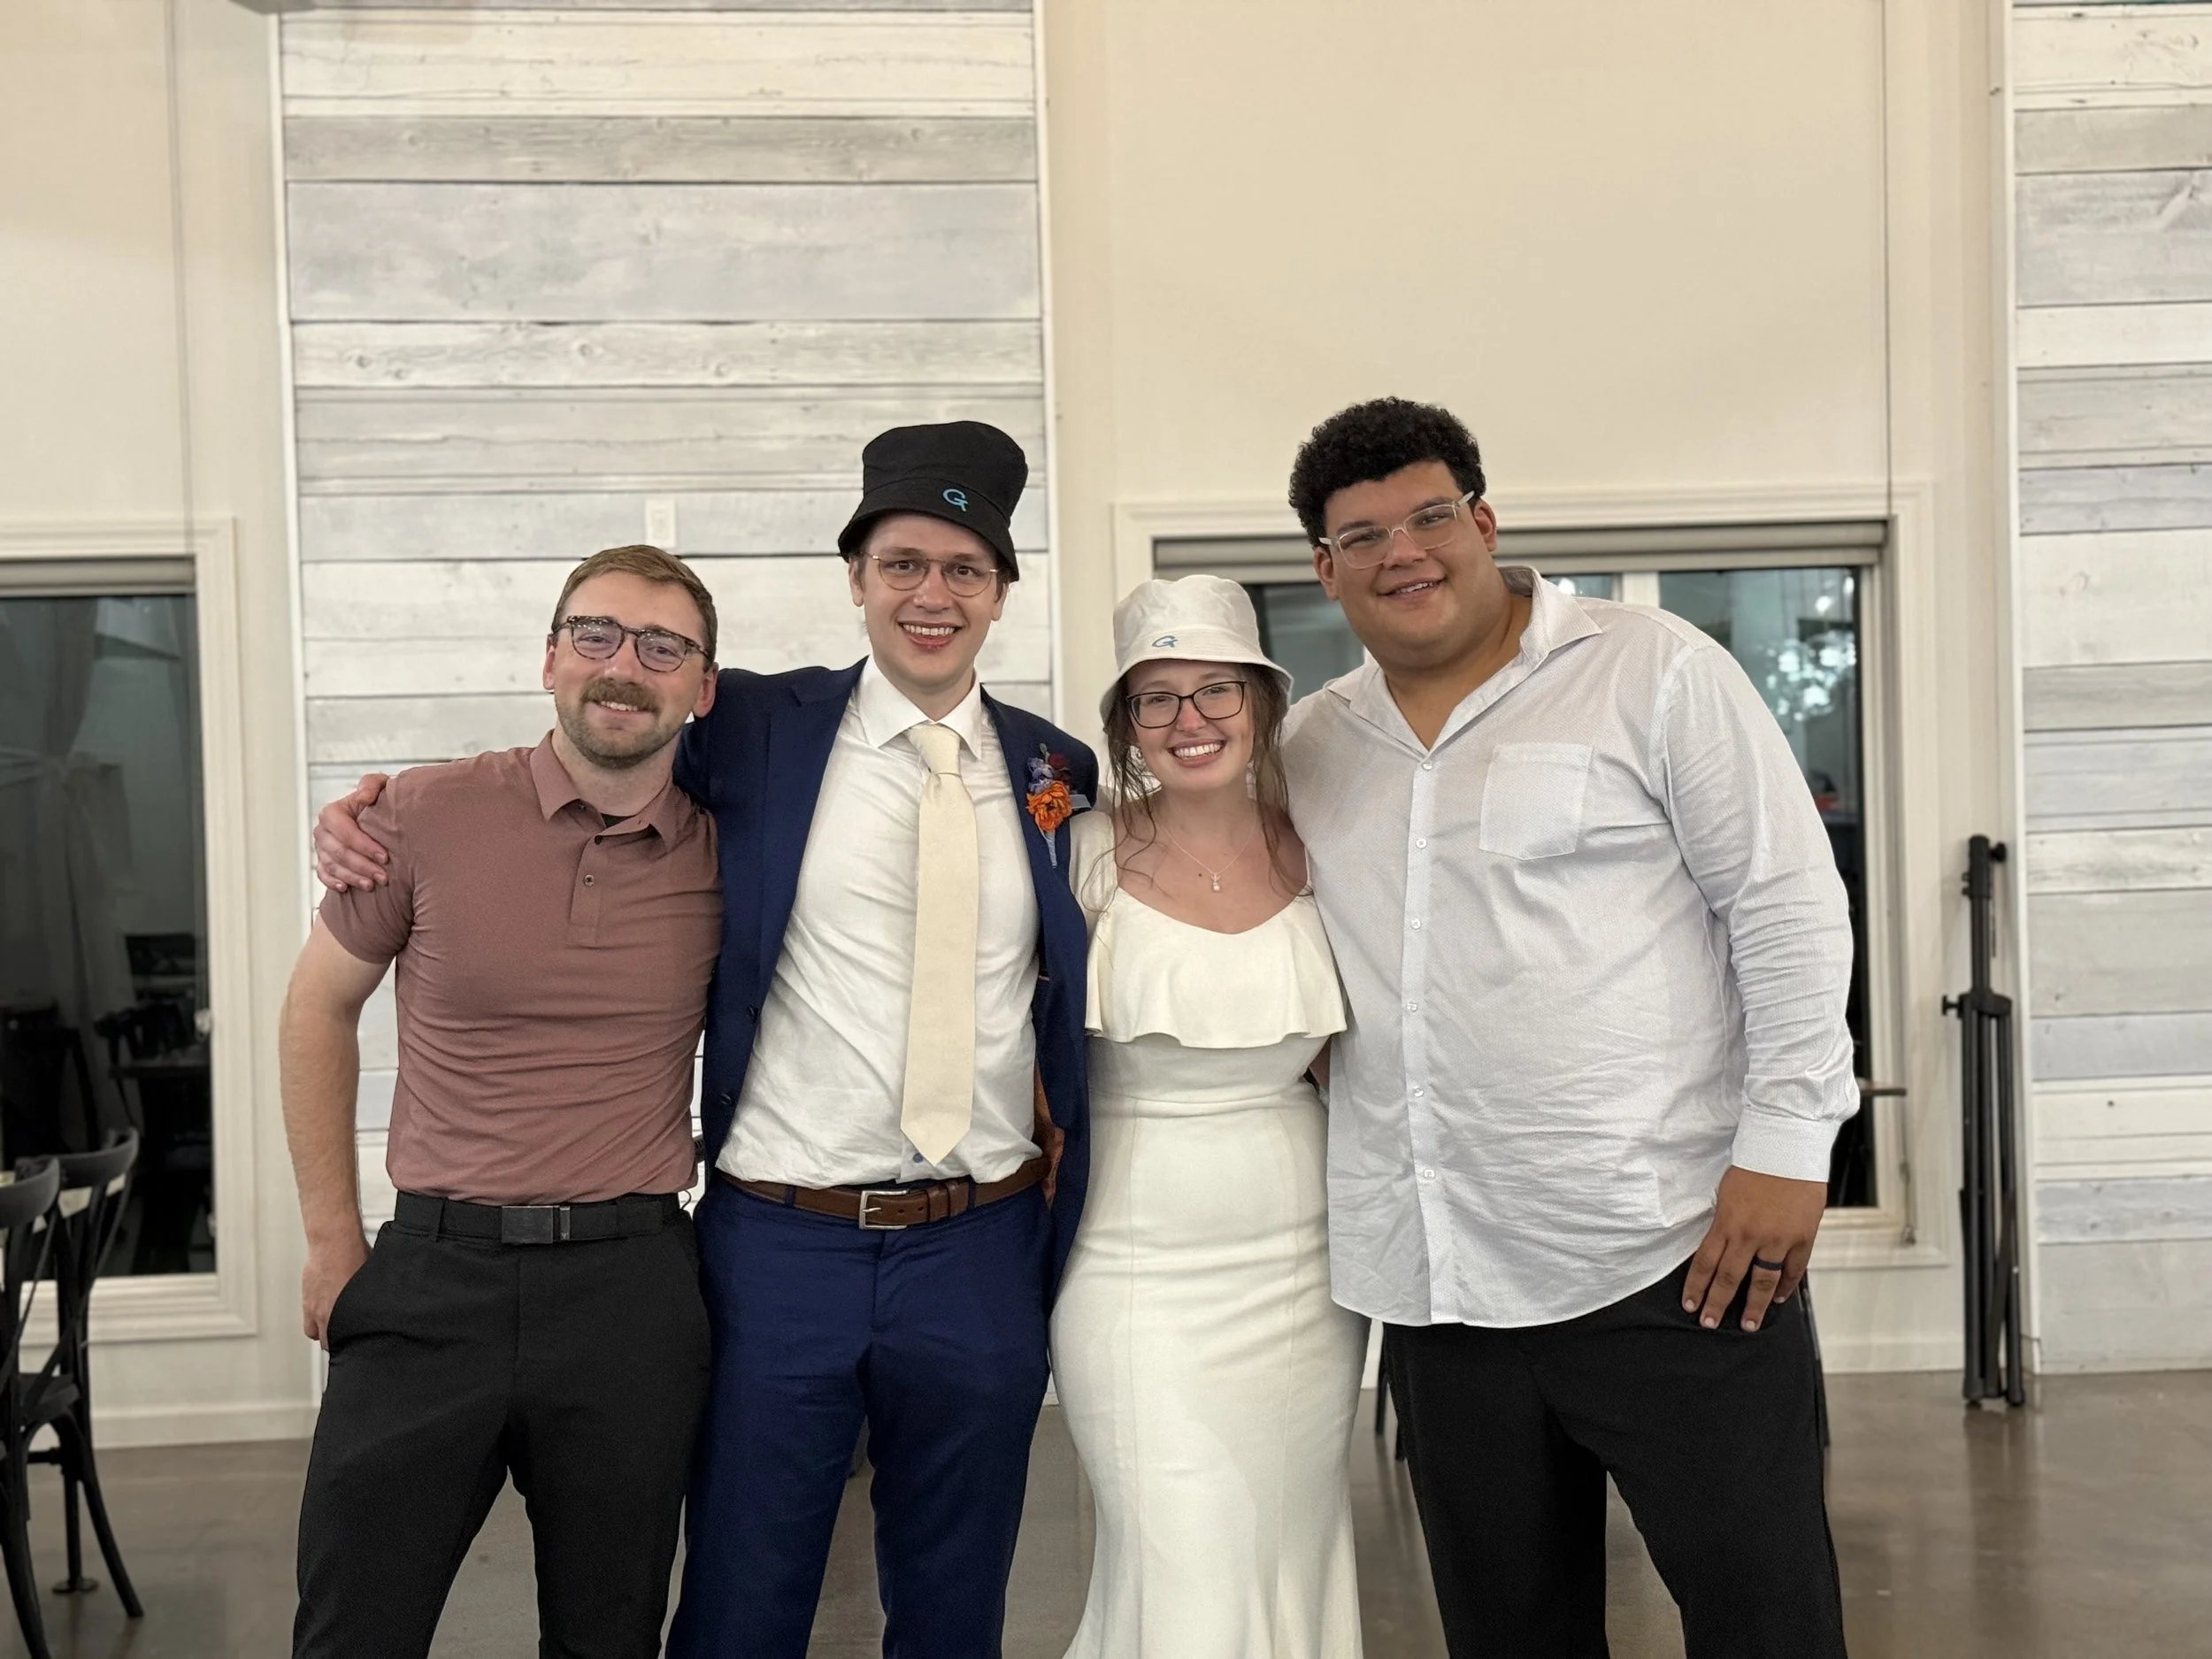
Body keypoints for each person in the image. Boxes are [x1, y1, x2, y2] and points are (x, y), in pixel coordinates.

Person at [315, 421, 1098, 1659]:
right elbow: (602, 733)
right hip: (780, 1239)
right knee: (739, 1599)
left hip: (979, 1239)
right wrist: (377, 811)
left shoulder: (1059, 769)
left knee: (959, 1604)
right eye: (902, 563)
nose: (931, 595)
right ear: (856, 578)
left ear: (1003, 590)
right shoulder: (759, 728)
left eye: (965, 569)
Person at [1280, 398, 1856, 1658]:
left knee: (1765, 1620)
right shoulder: (1313, 742)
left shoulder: (1651, 670)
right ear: (1326, 568)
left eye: (1430, 516)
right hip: (1442, 1283)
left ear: (1484, 522)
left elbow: (1785, 905)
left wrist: (1789, 1145)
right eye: (1362, 535)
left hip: (1673, 1259)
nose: (1402, 552)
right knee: (1509, 1634)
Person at [280, 544, 722, 1658]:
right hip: (432, 1278)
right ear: (549, 659)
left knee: (609, 1636)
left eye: (662, 646)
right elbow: (318, 1008)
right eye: (595, 634)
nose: (623, 666)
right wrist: (331, 1238)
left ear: (704, 688)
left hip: (630, 1292)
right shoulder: (420, 813)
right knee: (352, 1631)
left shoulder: (731, 850)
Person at [1053, 575, 1366, 1659]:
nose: (1190, 720)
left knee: (1285, 1551)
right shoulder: (1082, 853)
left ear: (1262, 704)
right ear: (1126, 723)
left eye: (1217, 690)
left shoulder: (1325, 851)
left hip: (1306, 1276)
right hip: (1131, 1271)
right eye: (1158, 697)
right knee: (1181, 1559)